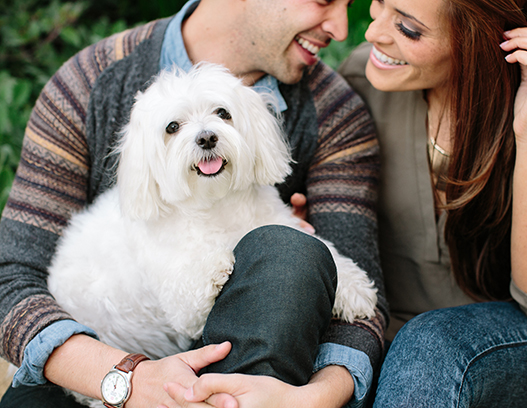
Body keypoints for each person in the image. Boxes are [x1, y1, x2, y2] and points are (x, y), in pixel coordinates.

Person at [0, 1, 389, 407]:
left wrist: (315, 398)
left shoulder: (335, 113)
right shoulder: (87, 82)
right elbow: (10, 281)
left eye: (222, 114)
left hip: (249, 375)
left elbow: (365, 312)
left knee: (288, 255)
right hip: (82, 370)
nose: (343, 29)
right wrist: (126, 378)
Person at [334, 0, 527, 406]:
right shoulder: (363, 78)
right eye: (379, 4)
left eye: (408, 29)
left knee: (431, 343)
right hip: (389, 340)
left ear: (480, 40)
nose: (373, 33)